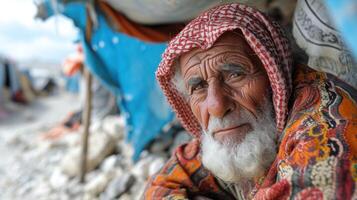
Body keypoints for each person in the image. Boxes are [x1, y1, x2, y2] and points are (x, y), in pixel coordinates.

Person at [144, 3, 357, 200]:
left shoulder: (324, 135)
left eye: (235, 75)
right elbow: (164, 182)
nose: (217, 106)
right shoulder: (242, 131)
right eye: (198, 87)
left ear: (275, 76)